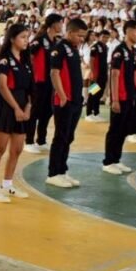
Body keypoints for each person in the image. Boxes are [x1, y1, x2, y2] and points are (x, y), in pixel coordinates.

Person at [0, 23, 34, 202]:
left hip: (21, 106)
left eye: (27, 37)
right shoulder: (4, 60)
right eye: (22, 37)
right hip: (4, 106)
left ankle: (7, 184)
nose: (26, 40)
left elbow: (30, 88)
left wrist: (27, 107)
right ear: (12, 39)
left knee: (17, 149)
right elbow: (2, 86)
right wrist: (16, 108)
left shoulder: (26, 61)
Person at [46, 18, 87, 188]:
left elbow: (79, 75)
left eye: (84, 36)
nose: (82, 39)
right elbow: (54, 73)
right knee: (60, 136)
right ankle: (53, 173)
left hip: (76, 100)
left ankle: (62, 170)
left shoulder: (74, 49)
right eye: (79, 35)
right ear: (70, 33)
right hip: (64, 101)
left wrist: (87, 94)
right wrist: (62, 96)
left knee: (69, 137)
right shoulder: (59, 48)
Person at [101, 20, 136, 175]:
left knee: (124, 129)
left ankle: (116, 159)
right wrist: (115, 98)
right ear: (129, 32)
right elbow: (115, 75)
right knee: (115, 130)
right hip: (120, 96)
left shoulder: (133, 51)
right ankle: (108, 161)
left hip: (130, 97)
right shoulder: (119, 50)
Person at [24, 14, 62, 153]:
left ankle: (41, 140)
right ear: (53, 24)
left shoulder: (56, 41)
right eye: (60, 22)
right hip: (38, 82)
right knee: (34, 111)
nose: (61, 25)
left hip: (50, 82)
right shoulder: (39, 40)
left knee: (47, 111)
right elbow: (27, 56)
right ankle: (28, 141)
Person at [84, 29, 109, 122]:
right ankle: (88, 113)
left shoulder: (105, 47)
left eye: (107, 37)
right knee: (93, 93)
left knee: (99, 94)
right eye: (103, 37)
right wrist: (92, 73)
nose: (105, 39)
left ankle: (96, 113)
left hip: (103, 75)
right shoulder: (95, 47)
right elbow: (91, 60)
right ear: (99, 37)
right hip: (96, 75)